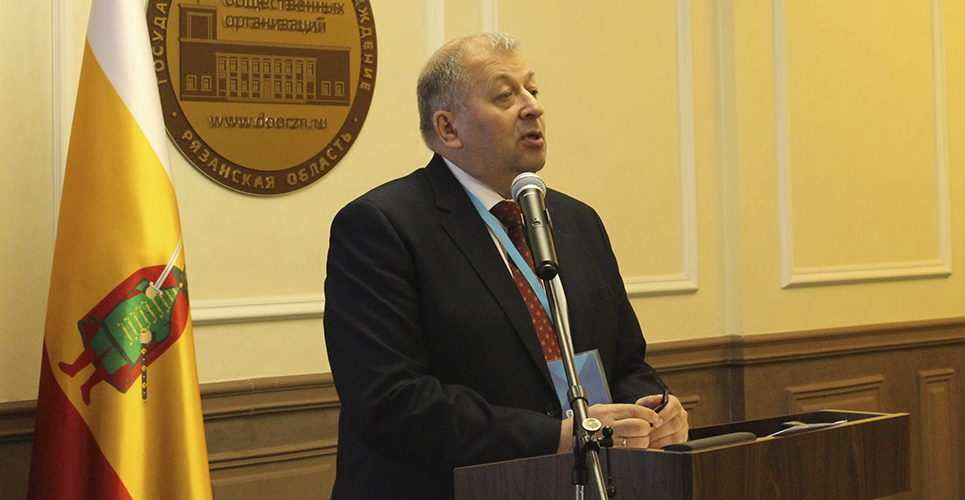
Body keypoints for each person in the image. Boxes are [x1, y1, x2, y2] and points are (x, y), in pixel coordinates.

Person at [323, 32, 688, 500]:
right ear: (448, 129)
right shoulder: (383, 226)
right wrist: (557, 437)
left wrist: (651, 407)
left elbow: (626, 360)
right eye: (505, 96)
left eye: (532, 89)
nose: (533, 107)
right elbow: (392, 402)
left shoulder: (577, 221)